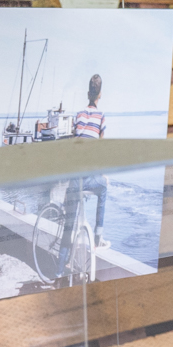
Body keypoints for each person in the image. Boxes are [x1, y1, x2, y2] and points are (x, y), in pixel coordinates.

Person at [71, 73, 108, 235]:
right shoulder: (101, 117)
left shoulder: (78, 115)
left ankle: (64, 260)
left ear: (88, 94)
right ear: (100, 95)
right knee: (104, 187)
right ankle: (98, 235)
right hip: (87, 179)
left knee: (68, 227)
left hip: (73, 179)